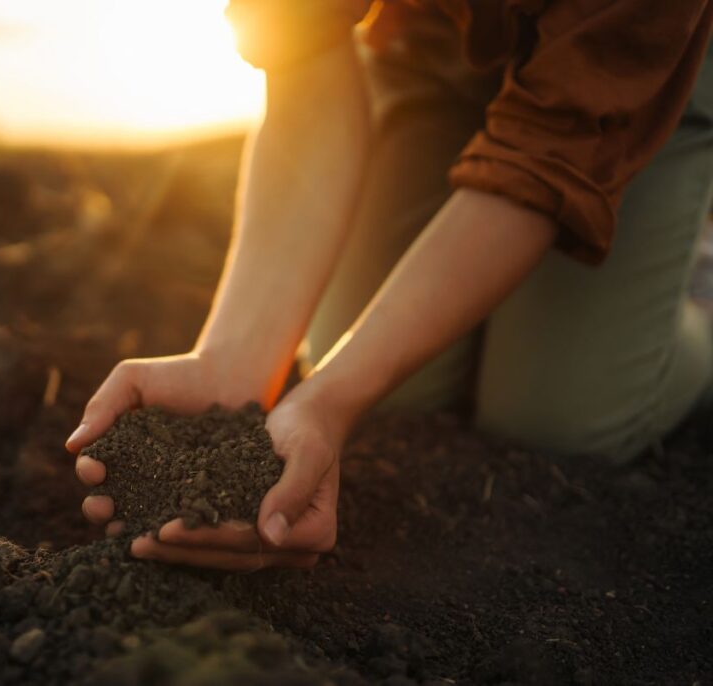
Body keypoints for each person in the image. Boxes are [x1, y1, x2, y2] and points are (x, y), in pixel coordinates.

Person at [66, 0, 713, 571]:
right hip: (431, 50)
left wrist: (332, 401)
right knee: (397, 389)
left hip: (628, 85)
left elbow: (546, 160)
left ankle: (692, 295)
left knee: (560, 418)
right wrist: (236, 363)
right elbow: (303, 51)